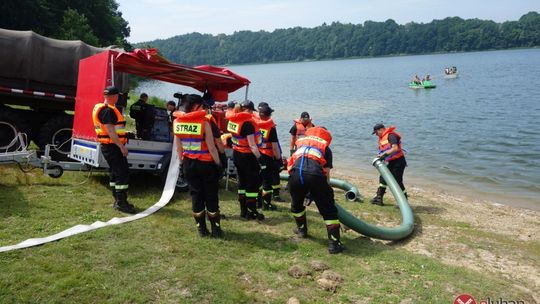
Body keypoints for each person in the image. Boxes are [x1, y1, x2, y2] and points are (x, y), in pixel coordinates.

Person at [287, 126, 344, 254]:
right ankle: (334, 244)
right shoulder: (325, 148)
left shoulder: (300, 143)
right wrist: (325, 190)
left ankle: (301, 230)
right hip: (315, 176)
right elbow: (326, 174)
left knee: (296, 204)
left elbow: (294, 161)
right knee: (328, 211)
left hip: (295, 175)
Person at [173, 95, 223, 237]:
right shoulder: (204, 122)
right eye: (202, 106)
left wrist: (182, 164)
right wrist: (219, 164)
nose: (204, 108)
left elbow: (178, 147)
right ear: (196, 107)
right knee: (211, 196)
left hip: (189, 163)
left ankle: (201, 229)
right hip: (206, 163)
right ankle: (216, 229)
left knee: (196, 196)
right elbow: (212, 147)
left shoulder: (177, 121)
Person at [92, 86, 136, 214]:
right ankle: (122, 203)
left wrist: (124, 134)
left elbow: (113, 130)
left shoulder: (104, 109)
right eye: (117, 95)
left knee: (115, 172)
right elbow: (110, 130)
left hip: (109, 146)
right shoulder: (108, 111)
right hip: (113, 147)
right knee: (122, 173)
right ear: (113, 96)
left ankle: (117, 201)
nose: (118, 97)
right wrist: (121, 146)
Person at [227, 100, 265, 220]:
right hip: (248, 157)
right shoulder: (248, 124)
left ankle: (243, 211)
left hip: (237, 154)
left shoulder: (233, 120)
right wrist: (261, 159)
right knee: (252, 185)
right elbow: (252, 145)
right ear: (248, 110)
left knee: (242, 183)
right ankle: (252, 212)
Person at [253, 103, 282, 210]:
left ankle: (258, 202)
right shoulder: (271, 128)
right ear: (269, 115)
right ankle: (267, 204)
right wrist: (279, 159)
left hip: (256, 155)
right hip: (267, 156)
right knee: (267, 181)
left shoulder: (254, 123)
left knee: (258, 179)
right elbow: (275, 147)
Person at [370, 123, 407, 206]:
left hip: (399, 162)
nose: (376, 135)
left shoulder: (391, 136)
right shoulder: (382, 138)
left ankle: (404, 200)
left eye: (376, 132)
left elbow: (395, 148)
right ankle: (379, 198)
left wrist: (384, 155)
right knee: (383, 178)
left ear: (381, 129)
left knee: (397, 181)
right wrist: (381, 156)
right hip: (390, 162)